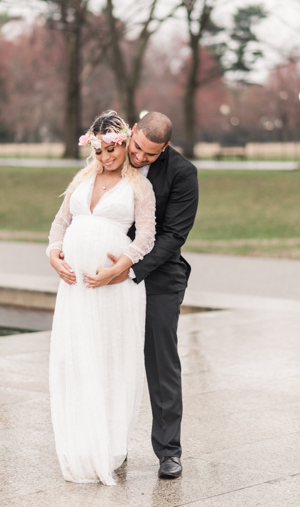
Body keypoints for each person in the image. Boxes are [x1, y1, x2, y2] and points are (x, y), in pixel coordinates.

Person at [47, 111, 156, 486]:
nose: (107, 157)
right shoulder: (83, 178)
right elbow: (60, 223)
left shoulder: (139, 185)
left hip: (113, 288)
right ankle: (81, 444)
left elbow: (146, 237)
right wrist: (53, 253)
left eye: (113, 149)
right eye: (99, 149)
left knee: (109, 359)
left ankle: (110, 447)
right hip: (75, 288)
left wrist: (118, 268)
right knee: (76, 359)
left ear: (125, 143)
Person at [104, 111, 199, 479]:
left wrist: (129, 269)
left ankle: (169, 452)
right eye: (138, 148)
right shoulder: (112, 156)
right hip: (108, 273)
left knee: (162, 365)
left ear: (166, 148)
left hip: (159, 277)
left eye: (151, 154)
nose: (140, 158)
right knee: (112, 358)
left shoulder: (183, 173)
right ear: (132, 133)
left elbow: (174, 236)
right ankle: (112, 443)